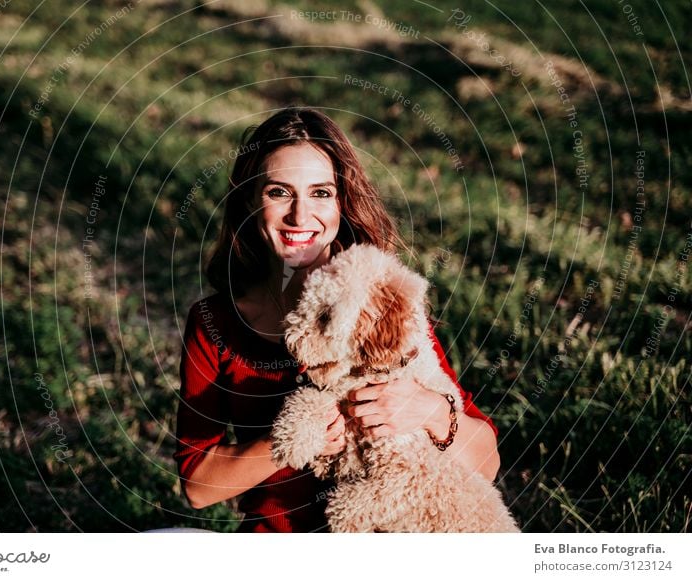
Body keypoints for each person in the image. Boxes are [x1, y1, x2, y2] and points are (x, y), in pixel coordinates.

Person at [174, 107, 501, 532]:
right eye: (279, 192)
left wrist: (432, 412)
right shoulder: (214, 322)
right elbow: (198, 486)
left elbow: (487, 463)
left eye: (321, 193)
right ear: (251, 201)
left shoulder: (379, 302)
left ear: (342, 201)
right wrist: (292, 440)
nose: (299, 215)